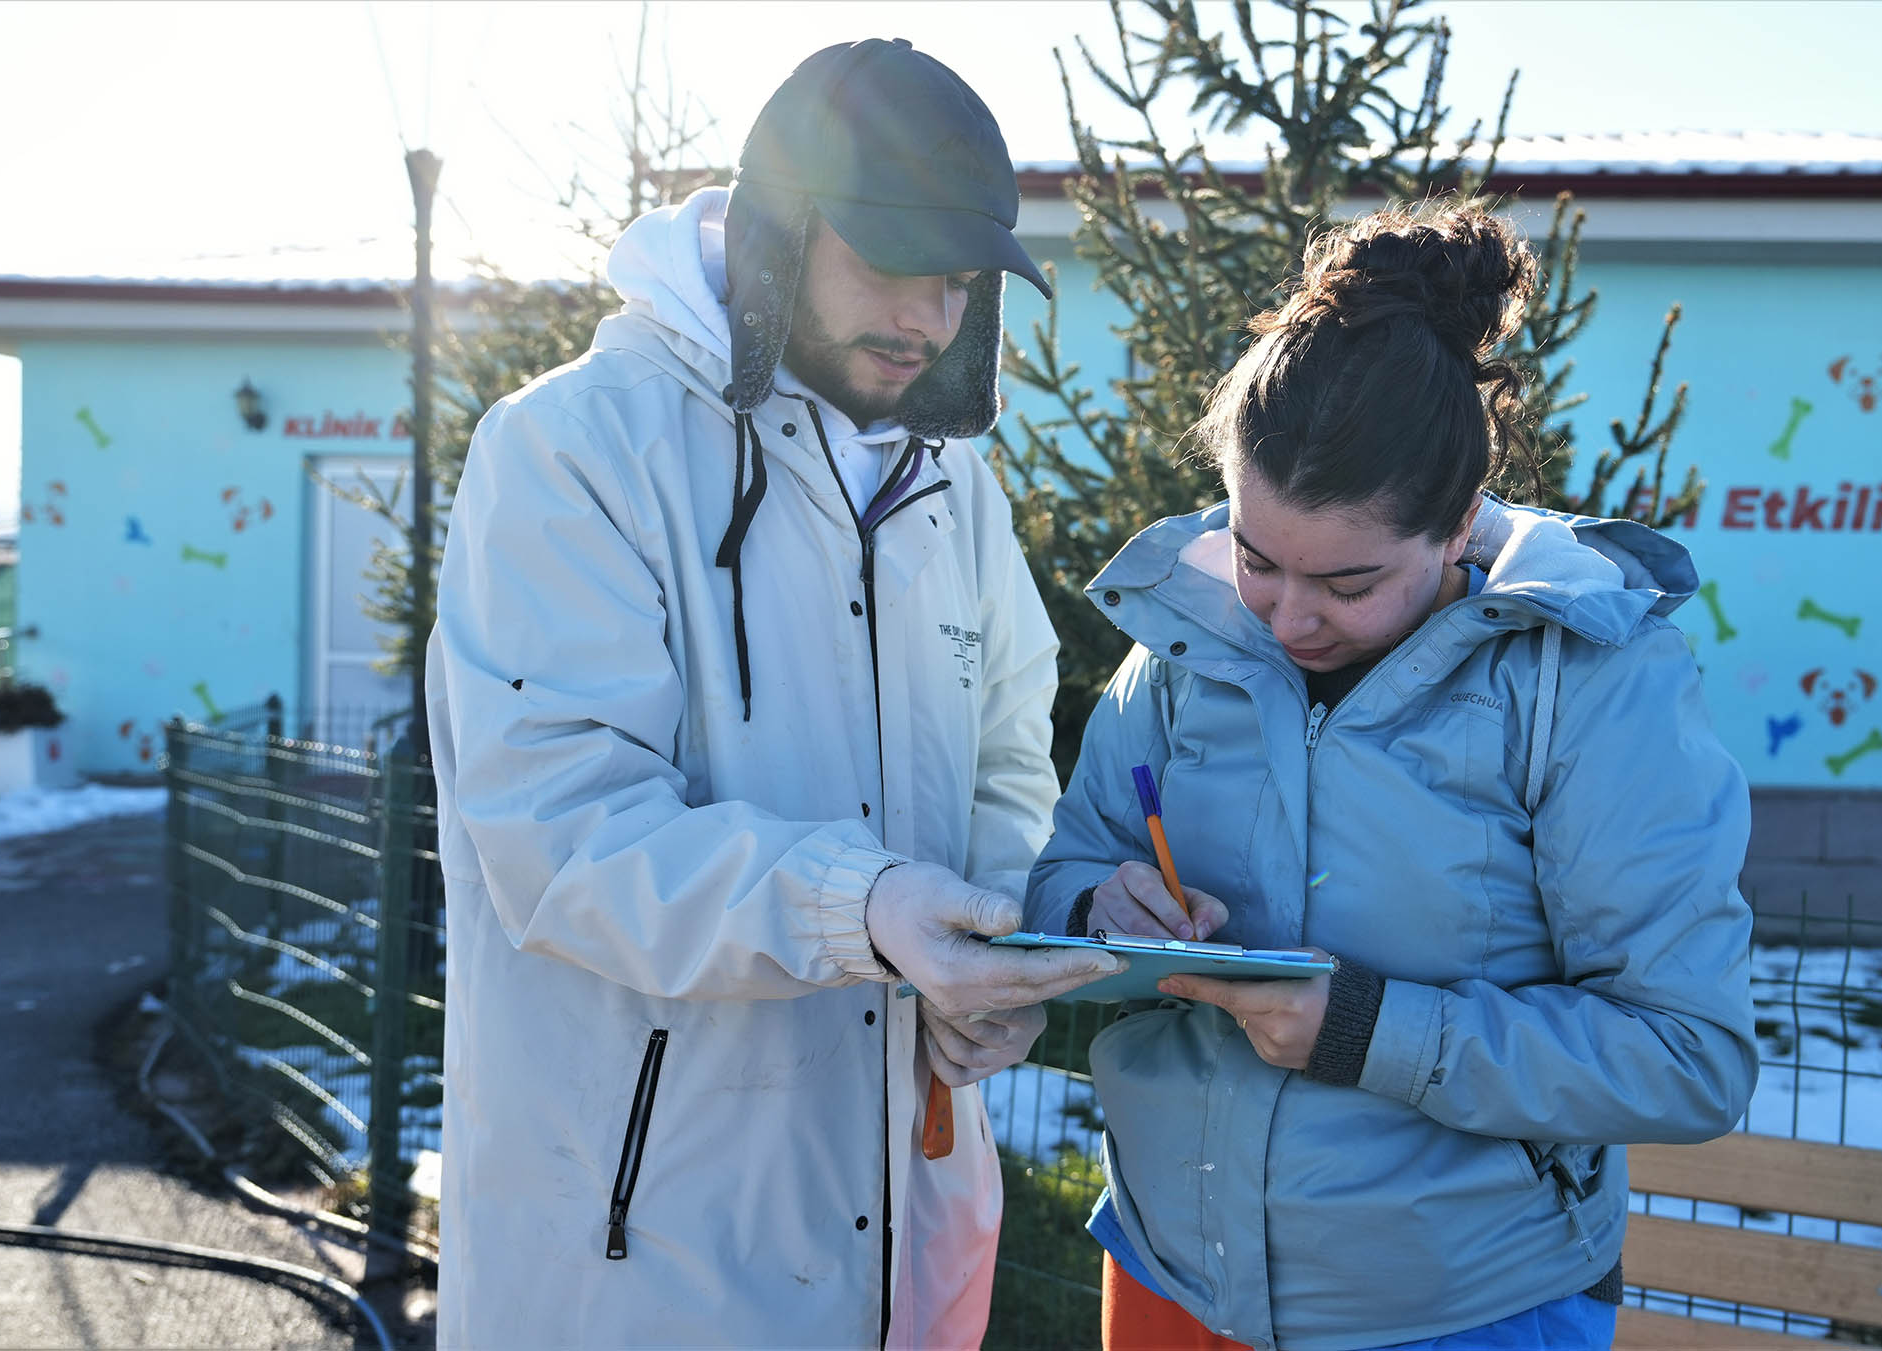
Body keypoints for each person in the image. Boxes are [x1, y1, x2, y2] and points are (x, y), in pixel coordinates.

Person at [425, 38, 1123, 1350]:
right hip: (640, 1253)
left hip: (906, 1240)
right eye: (891, 263)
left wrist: (1001, 942)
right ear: (775, 233)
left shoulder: (953, 485)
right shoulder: (572, 450)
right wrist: (864, 904)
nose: (928, 317)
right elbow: (564, 835)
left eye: (960, 281)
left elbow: (1006, 766)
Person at [1026, 201, 1760, 1350]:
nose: (1289, 618)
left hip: (1458, 1309)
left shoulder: (1589, 682)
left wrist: (1364, 1028)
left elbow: (1687, 1056)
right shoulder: (1188, 639)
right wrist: (1092, 905)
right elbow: (1066, 868)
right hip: (1172, 1273)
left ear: (1460, 523)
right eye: (1260, 560)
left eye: (1350, 584)